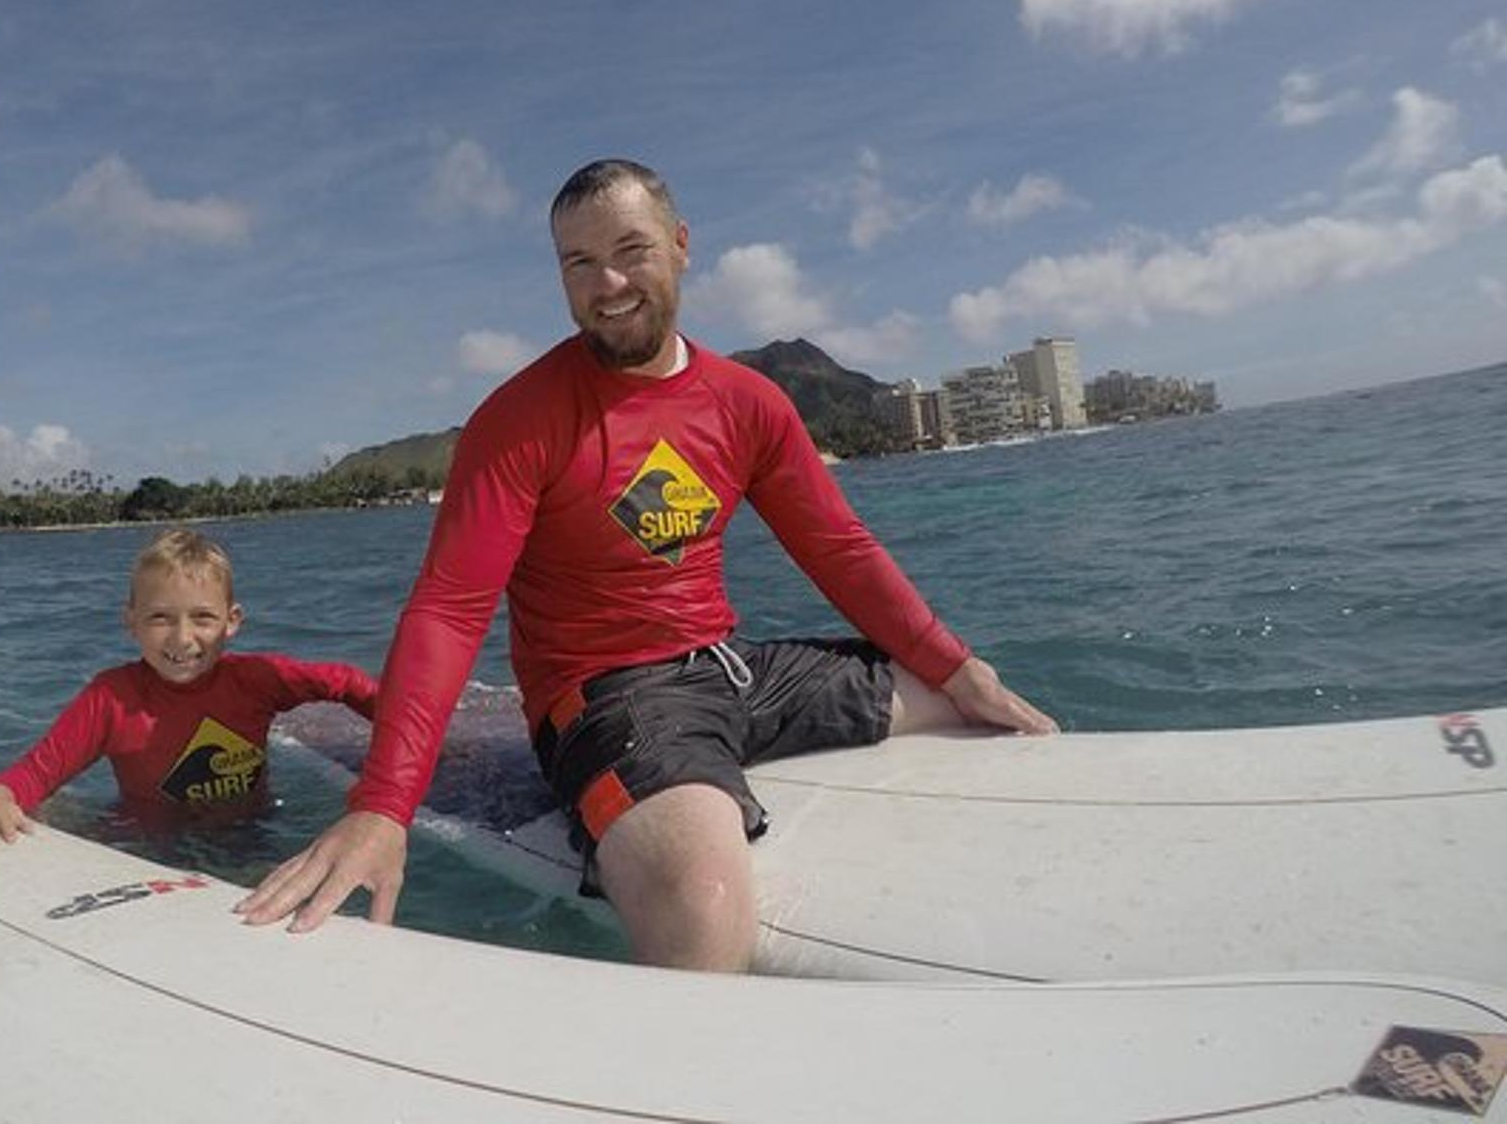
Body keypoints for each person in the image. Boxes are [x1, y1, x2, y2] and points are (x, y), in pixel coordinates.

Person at [237, 158, 1057, 970]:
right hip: (605, 699)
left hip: (734, 672)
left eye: (631, 249)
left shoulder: (748, 403)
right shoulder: (521, 419)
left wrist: (956, 666)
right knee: (705, 905)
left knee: (954, 701)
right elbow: (450, 609)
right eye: (579, 263)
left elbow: (840, 550)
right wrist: (383, 805)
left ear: (682, 243)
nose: (609, 282)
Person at [0, 528, 379, 841]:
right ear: (131, 622)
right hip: (148, 843)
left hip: (255, 829)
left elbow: (347, 684)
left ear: (232, 622)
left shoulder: (257, 679)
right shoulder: (112, 699)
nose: (182, 638)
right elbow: (40, 769)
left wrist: (412, 734)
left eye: (202, 618)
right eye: (160, 618)